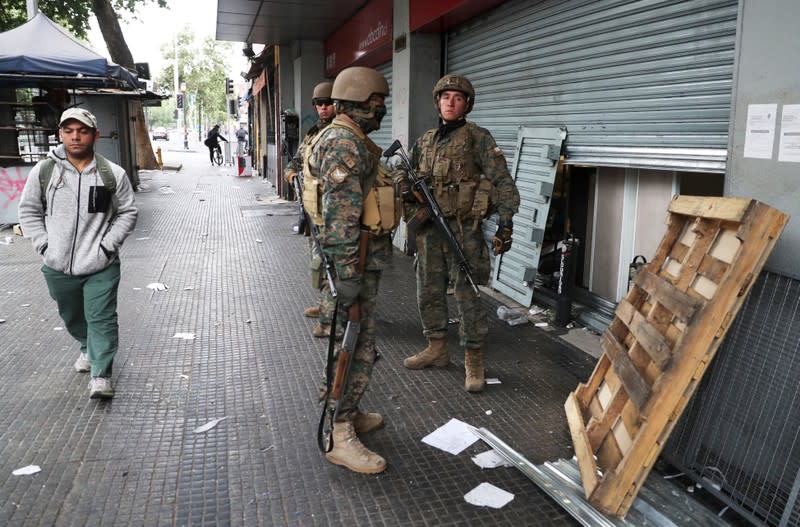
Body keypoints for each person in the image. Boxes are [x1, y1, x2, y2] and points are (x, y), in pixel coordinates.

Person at [398, 74, 520, 393]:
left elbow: (504, 182)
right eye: (445, 97)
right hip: (429, 231)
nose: (450, 102)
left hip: (463, 230)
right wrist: (406, 186)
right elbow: (401, 171)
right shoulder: (425, 141)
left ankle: (474, 359)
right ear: (437, 101)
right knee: (428, 289)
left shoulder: (477, 138)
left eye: (458, 98)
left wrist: (506, 222)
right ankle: (437, 348)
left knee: (467, 294)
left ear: (467, 104)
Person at [17, 108, 138, 399]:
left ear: (95, 135)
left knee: (102, 317)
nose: (75, 136)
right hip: (58, 265)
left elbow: (128, 213)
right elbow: (29, 211)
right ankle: (87, 346)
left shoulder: (112, 173)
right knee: (71, 315)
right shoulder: (45, 171)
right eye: (69, 131)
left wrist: (108, 246)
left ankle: (101, 374)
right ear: (60, 134)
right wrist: (45, 246)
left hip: (101, 264)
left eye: (82, 131)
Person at [306, 66, 393, 474]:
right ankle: (338, 432)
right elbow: (341, 219)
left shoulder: (349, 138)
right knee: (350, 347)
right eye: (378, 102)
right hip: (350, 265)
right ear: (360, 101)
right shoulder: (343, 143)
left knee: (359, 344)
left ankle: (350, 409)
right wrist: (347, 277)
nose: (382, 109)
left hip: (357, 262)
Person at [283, 82, 336, 338]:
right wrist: (291, 172)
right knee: (317, 259)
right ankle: (326, 304)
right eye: (319, 103)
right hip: (311, 205)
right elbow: (297, 159)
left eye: (328, 102)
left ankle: (332, 317)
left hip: (331, 210)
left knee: (330, 261)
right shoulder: (313, 133)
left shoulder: (339, 133)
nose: (323, 108)